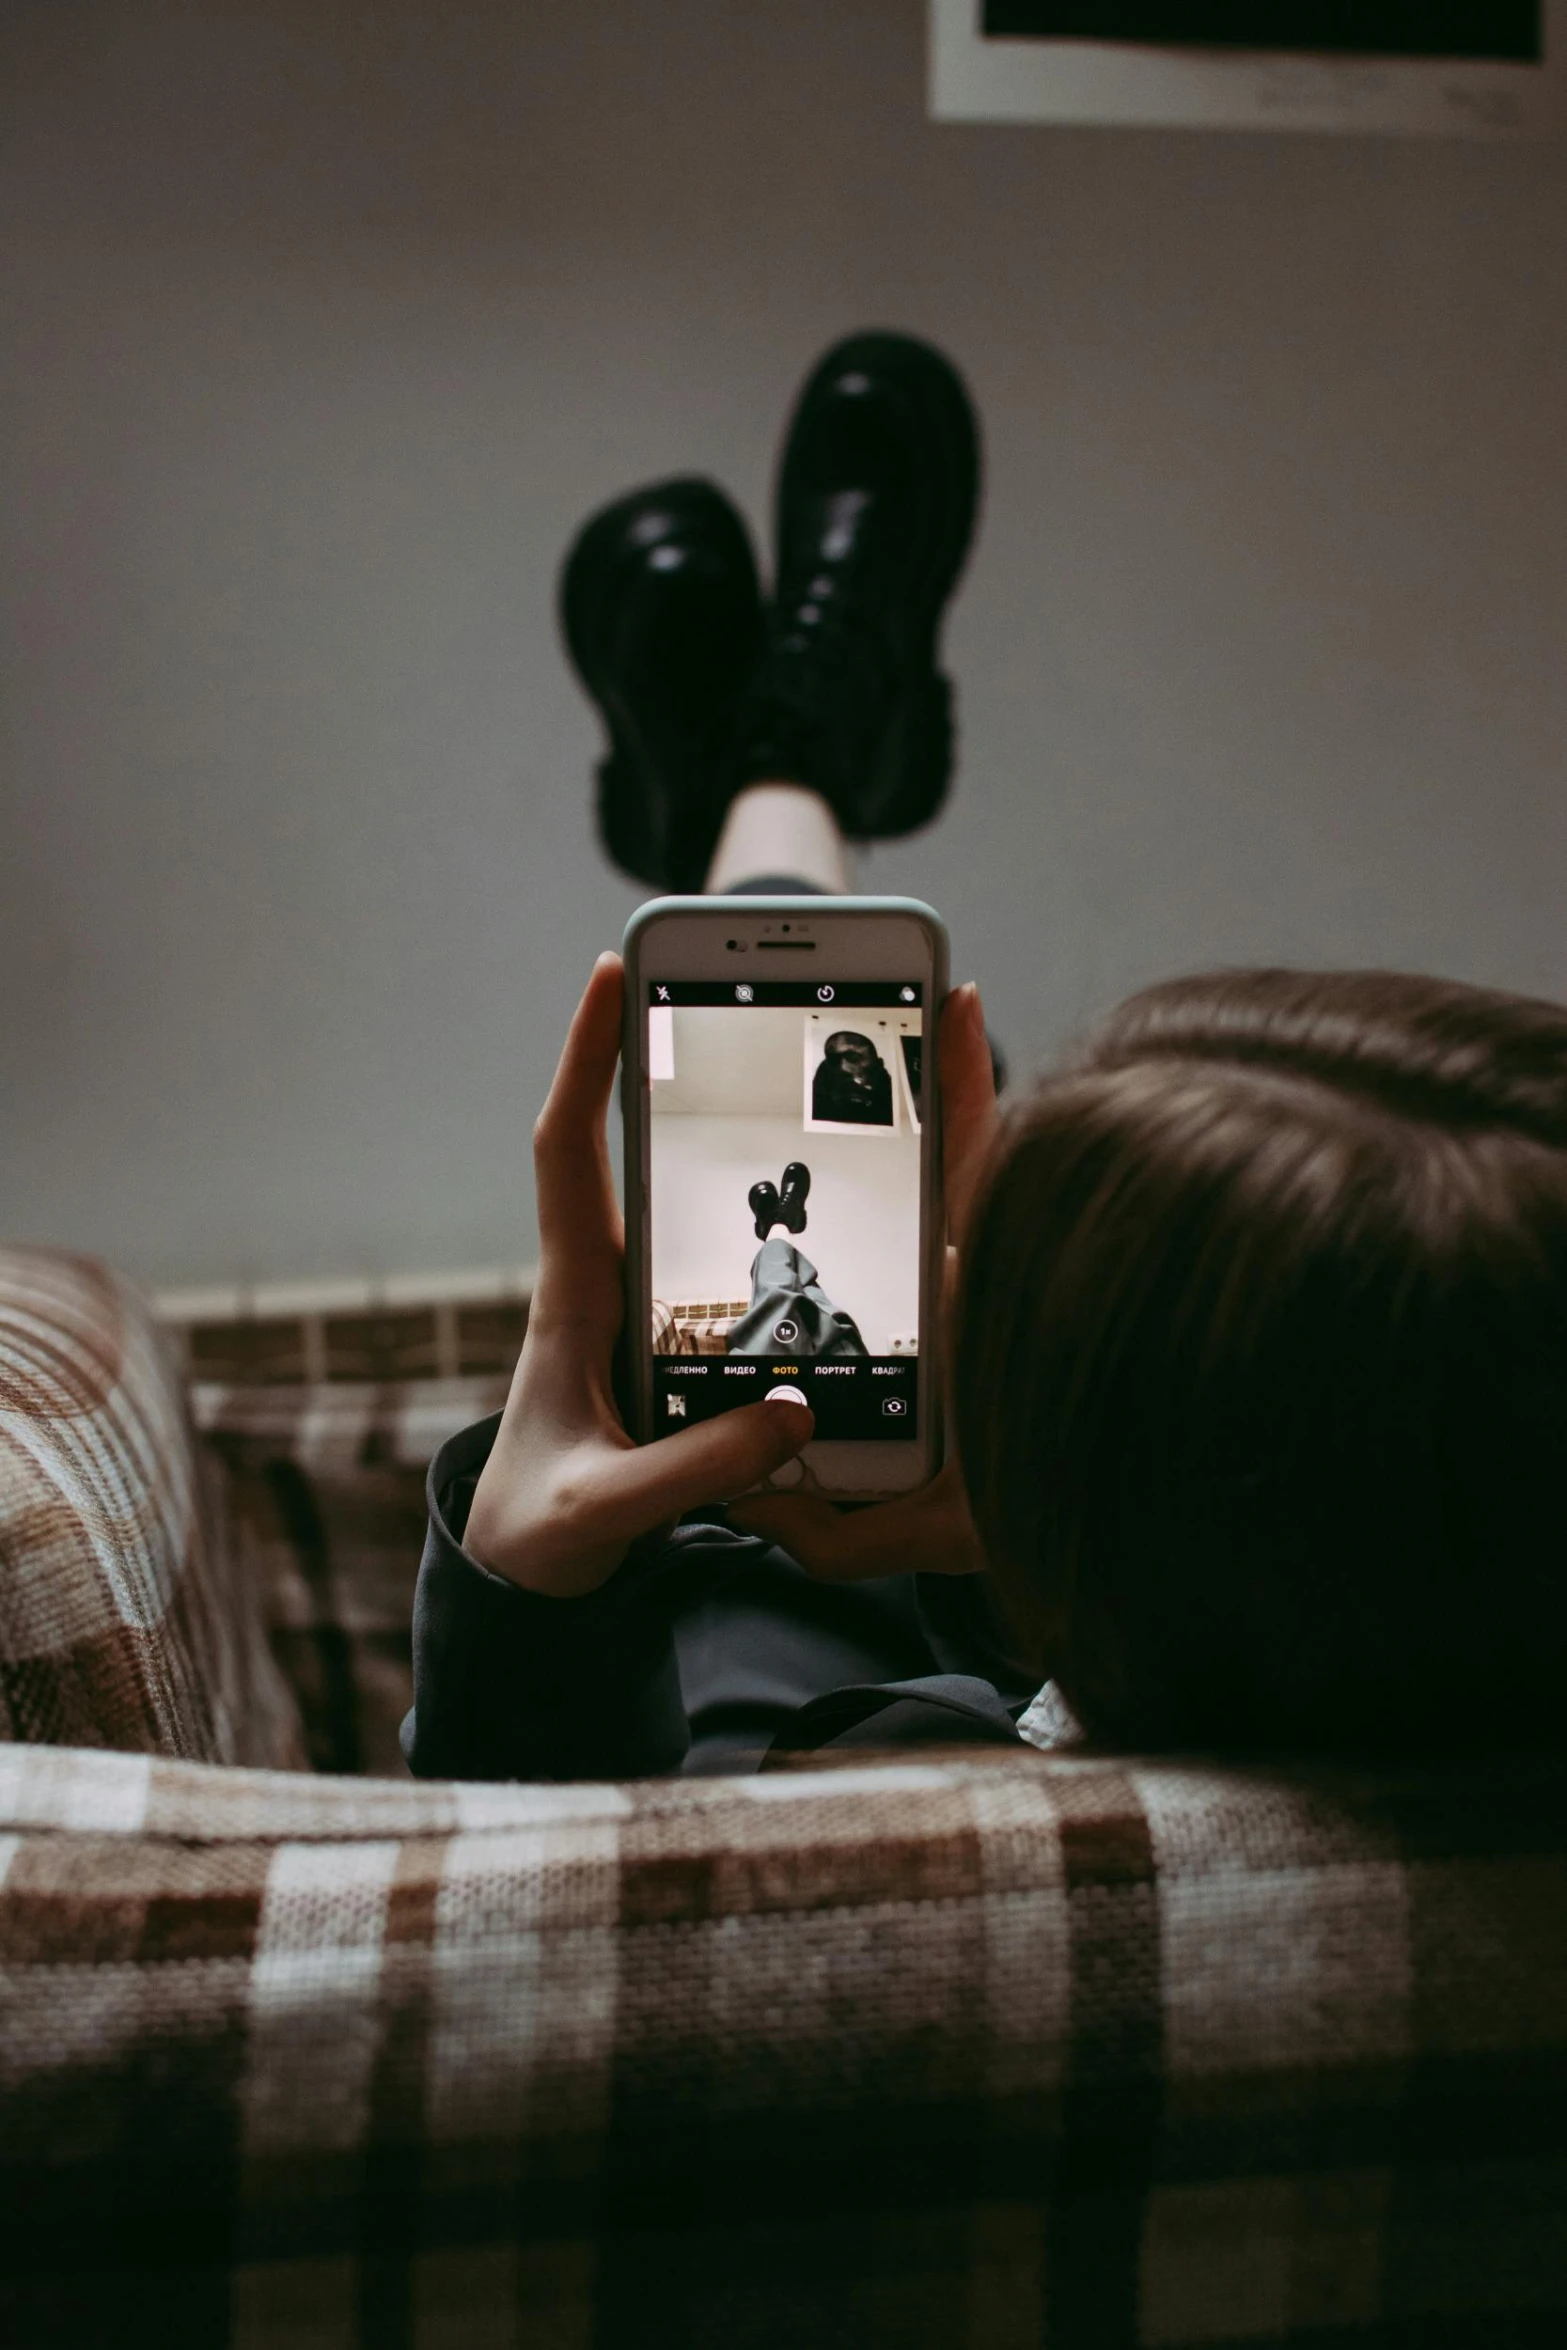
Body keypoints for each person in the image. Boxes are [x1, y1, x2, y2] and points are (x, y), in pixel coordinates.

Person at [404, 332, 1567, 1781]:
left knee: (838, 1074)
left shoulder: (854, 1800)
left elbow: (560, 1909)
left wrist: (527, 1591)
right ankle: (788, 760)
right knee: (876, 1080)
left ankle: (776, 766)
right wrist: (1021, 1565)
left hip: (761, 1615)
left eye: (1016, 1342)